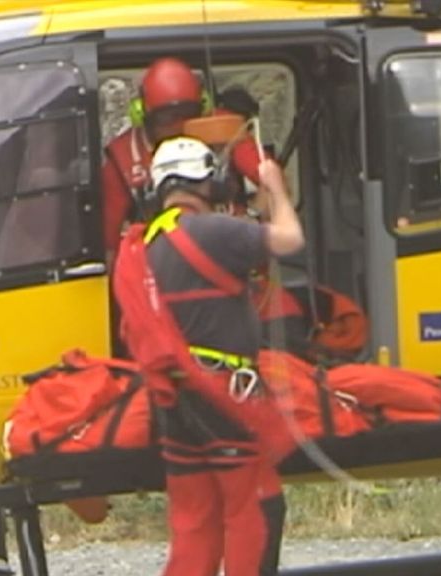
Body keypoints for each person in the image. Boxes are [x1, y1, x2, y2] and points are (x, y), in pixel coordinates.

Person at [114, 136, 304, 576]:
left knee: (194, 520)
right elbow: (289, 240)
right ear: (210, 183)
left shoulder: (149, 246)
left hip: (174, 401)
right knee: (253, 508)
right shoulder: (214, 230)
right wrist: (274, 188)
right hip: (222, 395)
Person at [101, 57, 267, 259]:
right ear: (143, 115)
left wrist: (251, 220)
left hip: (230, 254)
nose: (178, 126)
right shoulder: (122, 160)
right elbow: (108, 247)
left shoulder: (225, 129)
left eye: (187, 114)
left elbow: (274, 183)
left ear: (202, 108)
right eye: (166, 118)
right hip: (162, 265)